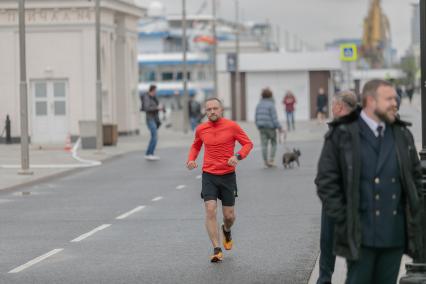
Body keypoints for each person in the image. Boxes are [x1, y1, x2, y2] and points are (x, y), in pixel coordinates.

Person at [316, 79, 422, 284]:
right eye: (388, 99)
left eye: (395, 99)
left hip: (393, 233)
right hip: (361, 233)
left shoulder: (402, 134)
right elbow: (325, 180)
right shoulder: (343, 133)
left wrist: (412, 214)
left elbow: (415, 176)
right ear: (371, 102)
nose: (394, 103)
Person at [187, 98, 253, 263]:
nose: (212, 112)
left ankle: (227, 229)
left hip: (228, 175)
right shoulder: (201, 129)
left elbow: (248, 144)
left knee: (229, 216)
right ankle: (217, 249)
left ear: (221, 110)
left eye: (215, 109)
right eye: (208, 109)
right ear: (205, 111)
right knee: (210, 209)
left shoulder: (232, 126)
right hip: (209, 175)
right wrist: (191, 159)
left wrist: (237, 156)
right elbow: (196, 145)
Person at [316, 90, 358, 284]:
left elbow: (325, 171)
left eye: (333, 105)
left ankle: (324, 279)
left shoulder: (339, 131)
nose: (331, 109)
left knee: (328, 242)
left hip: (338, 198)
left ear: (339, 107)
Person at [255, 88, 283, 168]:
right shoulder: (271, 104)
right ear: (270, 95)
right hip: (270, 128)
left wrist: (258, 125)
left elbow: (256, 117)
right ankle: (271, 160)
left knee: (264, 145)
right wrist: (279, 127)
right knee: (274, 143)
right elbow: (274, 118)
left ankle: (265, 161)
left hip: (261, 127)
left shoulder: (259, 104)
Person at [143, 85, 163, 161]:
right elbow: (146, 108)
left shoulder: (154, 98)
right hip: (150, 119)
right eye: (155, 91)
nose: (156, 92)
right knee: (154, 136)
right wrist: (157, 108)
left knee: (154, 136)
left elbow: (157, 106)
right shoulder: (147, 97)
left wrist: (161, 108)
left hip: (154, 119)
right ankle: (149, 154)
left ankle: (150, 153)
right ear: (152, 90)